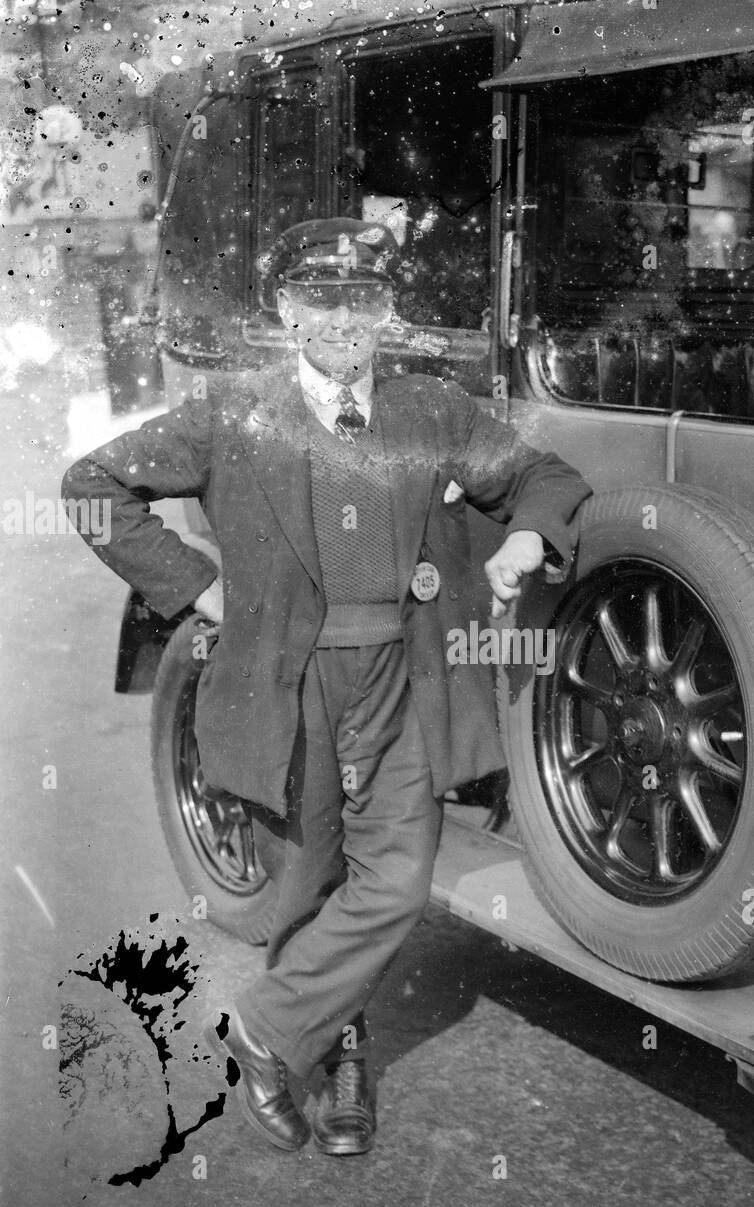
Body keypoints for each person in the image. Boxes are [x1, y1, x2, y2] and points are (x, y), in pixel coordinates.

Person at [62, 218, 592, 1156]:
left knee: (395, 883)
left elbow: (543, 475)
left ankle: (267, 1033)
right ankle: (334, 1054)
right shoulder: (232, 414)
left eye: (364, 302)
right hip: (288, 685)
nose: (344, 322)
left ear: (387, 313)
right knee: (305, 881)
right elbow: (93, 484)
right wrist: (193, 585)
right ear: (285, 310)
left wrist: (524, 536)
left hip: (399, 680)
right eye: (322, 301)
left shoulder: (432, 407)